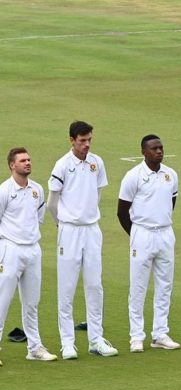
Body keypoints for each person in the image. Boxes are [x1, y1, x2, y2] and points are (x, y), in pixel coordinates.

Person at [47, 120, 118, 359]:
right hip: (69, 230)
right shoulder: (62, 165)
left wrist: (87, 216)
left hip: (91, 229)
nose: (86, 145)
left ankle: (96, 339)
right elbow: (52, 203)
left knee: (95, 285)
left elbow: (96, 194)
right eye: (82, 141)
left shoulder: (97, 163)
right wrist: (63, 224)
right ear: (72, 140)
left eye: (89, 140)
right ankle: (67, 342)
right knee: (67, 287)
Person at [117, 135, 180, 352]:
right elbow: (122, 211)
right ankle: (136, 336)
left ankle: (160, 333)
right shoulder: (133, 176)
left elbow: (171, 202)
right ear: (144, 152)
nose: (159, 151)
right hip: (142, 234)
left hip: (165, 233)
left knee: (165, 285)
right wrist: (135, 234)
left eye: (161, 147)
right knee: (138, 286)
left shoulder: (170, 175)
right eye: (154, 148)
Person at [0, 148, 58, 365]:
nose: (28, 163)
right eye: (22, 160)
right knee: (2, 301)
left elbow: (38, 217)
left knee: (32, 302)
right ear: (12, 165)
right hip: (10, 249)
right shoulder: (4, 190)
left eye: (29, 159)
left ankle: (34, 348)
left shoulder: (37, 190)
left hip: (33, 249)